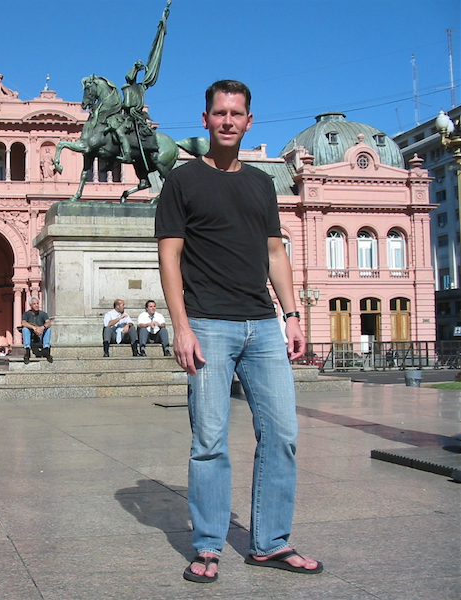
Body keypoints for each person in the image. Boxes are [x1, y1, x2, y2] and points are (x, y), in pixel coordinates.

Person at [155, 80, 322, 584]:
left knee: (283, 436)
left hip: (264, 326)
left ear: (250, 122)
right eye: (219, 113)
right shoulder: (182, 182)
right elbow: (169, 255)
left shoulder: (261, 184)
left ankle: (270, 542)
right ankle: (208, 545)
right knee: (209, 440)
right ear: (205, 119)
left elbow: (275, 253)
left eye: (237, 114)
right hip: (208, 324)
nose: (228, 121)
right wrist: (180, 327)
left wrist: (292, 316)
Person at [21, 297, 52, 363]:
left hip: (41, 336)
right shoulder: (26, 314)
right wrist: (34, 328)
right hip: (31, 336)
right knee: (25, 329)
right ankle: (27, 351)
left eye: (37, 303)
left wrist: (42, 328)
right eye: (34, 304)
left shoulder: (43, 314)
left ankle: (46, 350)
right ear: (31, 305)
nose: (36, 305)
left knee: (48, 329)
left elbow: (49, 322)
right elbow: (23, 323)